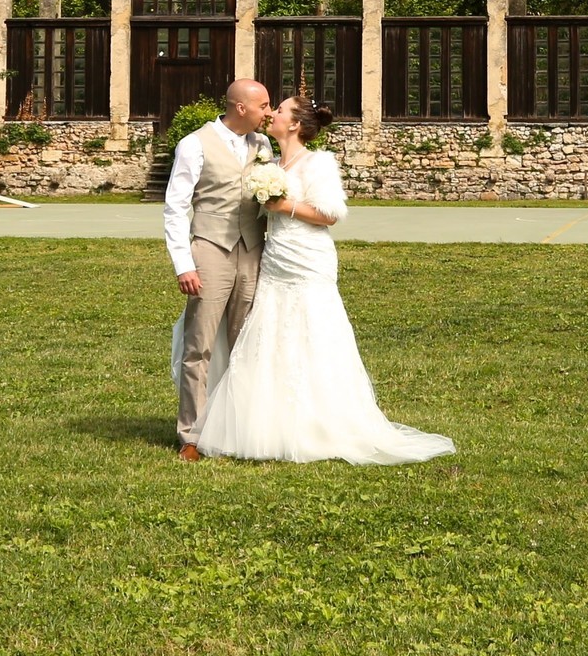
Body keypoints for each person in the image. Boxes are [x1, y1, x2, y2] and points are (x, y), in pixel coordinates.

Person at [197, 95, 455, 466]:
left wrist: (283, 205)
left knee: (313, 331)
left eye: (280, 110)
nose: (272, 114)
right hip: (275, 259)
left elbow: (330, 213)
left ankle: (321, 422)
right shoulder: (268, 160)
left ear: (296, 124)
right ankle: (271, 423)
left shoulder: (318, 163)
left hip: (307, 260)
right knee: (270, 331)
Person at [165, 79, 273, 461]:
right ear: (240, 107)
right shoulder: (194, 144)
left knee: (245, 342)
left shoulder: (262, 145)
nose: (269, 111)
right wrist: (184, 264)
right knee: (201, 346)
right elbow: (176, 208)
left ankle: (238, 427)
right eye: (263, 104)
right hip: (210, 249)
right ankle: (191, 435)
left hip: (253, 249)